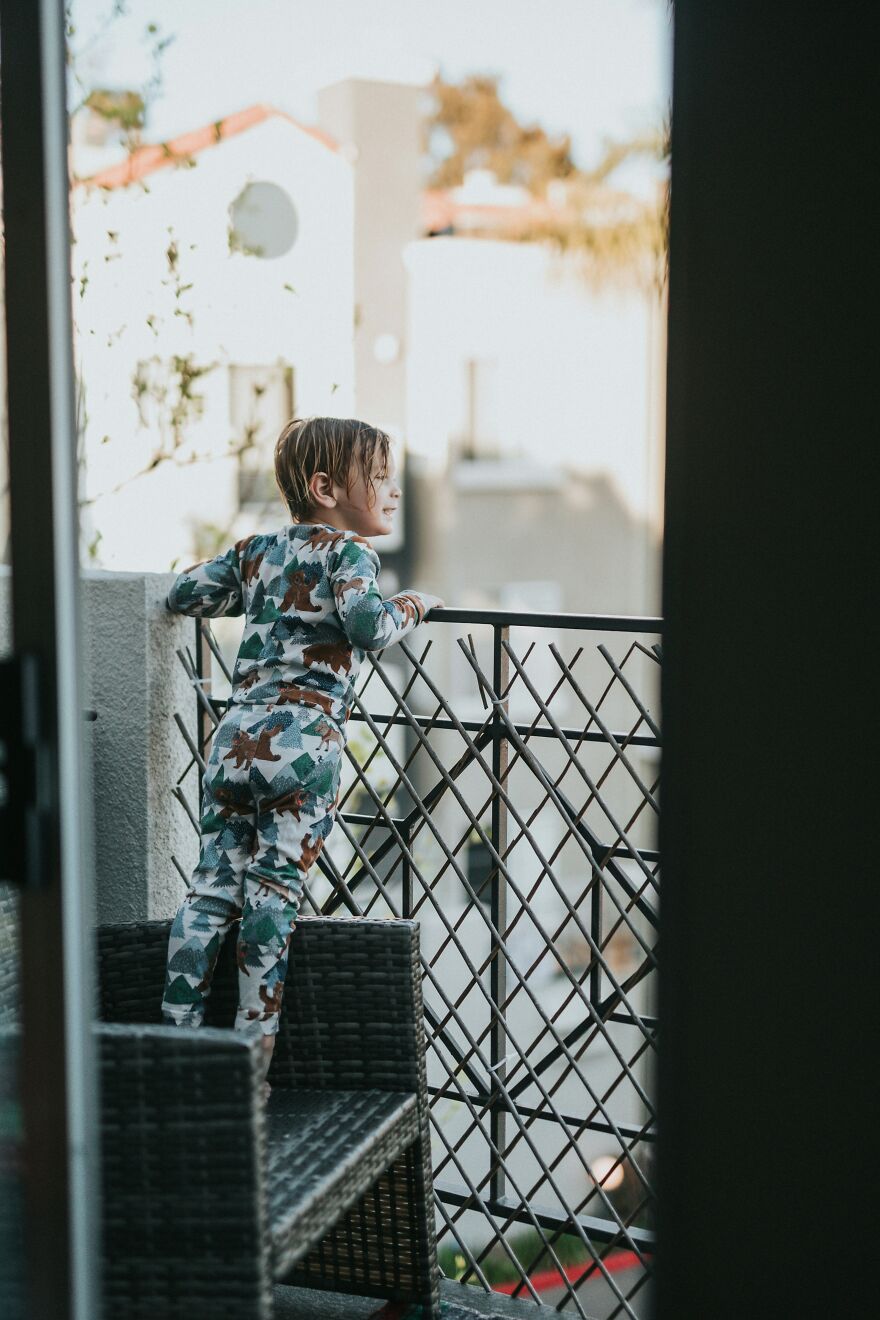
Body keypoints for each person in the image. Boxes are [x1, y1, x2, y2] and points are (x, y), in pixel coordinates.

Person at [160, 415, 444, 1096]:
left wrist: (252, 583)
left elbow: (183, 593)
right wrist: (417, 602)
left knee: (208, 893)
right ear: (324, 488)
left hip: (233, 744)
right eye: (378, 478)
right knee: (272, 898)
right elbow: (368, 627)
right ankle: (246, 1068)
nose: (391, 490)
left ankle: (170, 1043)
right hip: (302, 749)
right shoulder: (351, 554)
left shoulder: (258, 548)